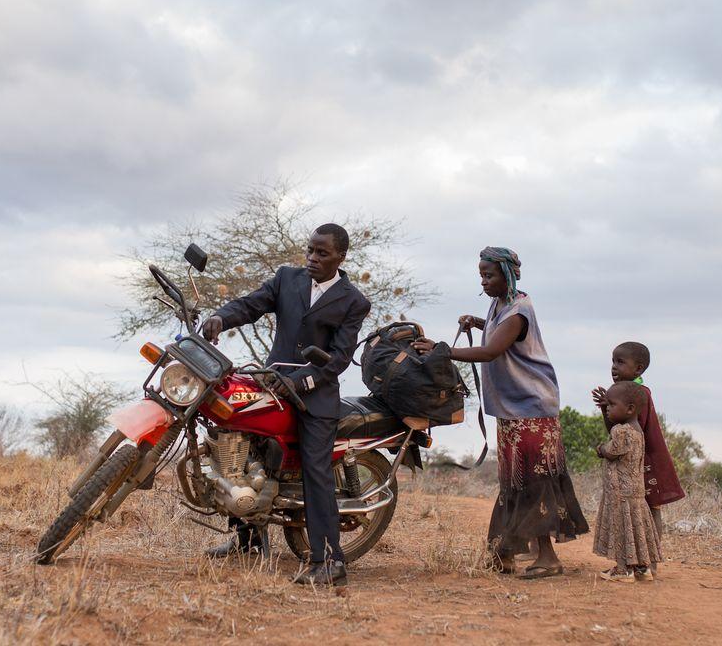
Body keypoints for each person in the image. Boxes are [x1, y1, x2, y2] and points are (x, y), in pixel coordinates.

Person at [200, 223, 371, 587]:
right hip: (272, 384)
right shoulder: (286, 279)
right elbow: (251, 304)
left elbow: (339, 359)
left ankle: (330, 562)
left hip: (315, 398)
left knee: (316, 471)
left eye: (322, 253)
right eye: (310, 250)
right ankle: (248, 541)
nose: (312, 258)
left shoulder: (354, 301)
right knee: (245, 450)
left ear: (341, 257)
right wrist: (221, 317)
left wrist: (300, 380)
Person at [413, 246, 588, 579]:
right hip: (514, 407)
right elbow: (496, 333)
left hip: (531, 406)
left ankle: (547, 558)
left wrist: (444, 351)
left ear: (508, 274)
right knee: (517, 480)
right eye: (481, 275)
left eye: (489, 275)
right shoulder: (500, 305)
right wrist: (478, 321)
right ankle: (518, 550)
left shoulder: (519, 310)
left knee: (532, 481)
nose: (484, 281)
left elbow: (493, 350)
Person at [592, 342, 684, 540]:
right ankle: (639, 559)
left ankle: (651, 561)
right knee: (640, 509)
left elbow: (629, 434)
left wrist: (605, 449)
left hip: (648, 459)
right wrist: (605, 408)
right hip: (636, 460)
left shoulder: (639, 393)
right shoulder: (623, 393)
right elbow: (616, 430)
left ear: (638, 368)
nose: (614, 367)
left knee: (651, 508)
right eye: (613, 361)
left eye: (620, 362)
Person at [594, 381, 662, 583]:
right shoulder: (638, 431)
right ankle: (642, 568)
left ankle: (623, 570)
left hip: (620, 492)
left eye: (611, 405)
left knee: (621, 529)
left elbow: (613, 452)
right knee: (636, 529)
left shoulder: (620, 431)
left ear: (630, 409)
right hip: (636, 492)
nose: (607, 409)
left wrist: (601, 449)